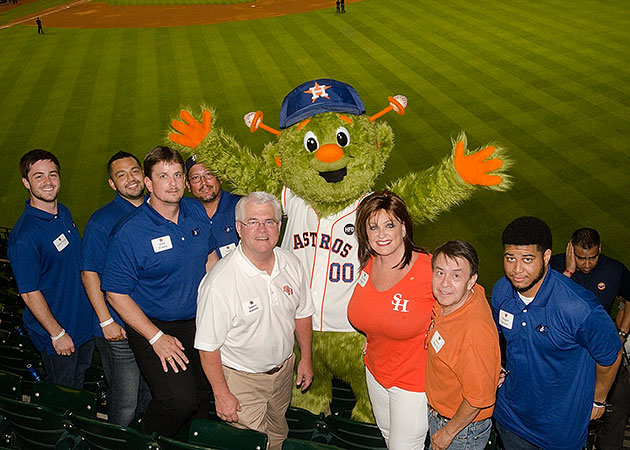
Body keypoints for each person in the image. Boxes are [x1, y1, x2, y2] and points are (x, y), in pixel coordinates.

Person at [101, 146, 219, 437]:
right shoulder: (129, 232)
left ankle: (189, 442)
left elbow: (210, 257)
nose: (174, 182)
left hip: (199, 321)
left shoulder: (195, 211)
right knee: (179, 400)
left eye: (178, 174)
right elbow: (115, 292)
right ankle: (143, 439)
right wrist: (156, 338)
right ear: (149, 184)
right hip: (154, 326)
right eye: (164, 176)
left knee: (205, 392)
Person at [195, 191, 315, 450]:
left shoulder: (292, 263)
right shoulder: (220, 282)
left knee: (278, 433)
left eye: (269, 221)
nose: (262, 229)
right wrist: (222, 394)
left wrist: (305, 357)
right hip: (241, 380)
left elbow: (302, 313)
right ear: (239, 228)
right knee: (253, 445)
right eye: (253, 222)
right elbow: (207, 346)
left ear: (279, 226)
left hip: (283, 372)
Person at [492, 216, 622, 450]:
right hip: (509, 420)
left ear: (547, 257)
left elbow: (610, 355)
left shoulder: (579, 308)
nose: (517, 269)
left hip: (560, 432)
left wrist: (598, 400)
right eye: (510, 258)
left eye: (527, 259)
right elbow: (495, 337)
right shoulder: (502, 291)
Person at [347, 190, 434, 449]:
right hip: (375, 373)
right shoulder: (369, 264)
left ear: (404, 228)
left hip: (413, 381)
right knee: (389, 440)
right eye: (373, 227)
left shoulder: (430, 269)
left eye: (389, 225)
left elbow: (467, 308)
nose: (381, 234)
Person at [8, 150, 95, 389]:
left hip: (82, 325)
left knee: (79, 384)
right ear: (26, 182)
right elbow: (28, 292)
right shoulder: (24, 237)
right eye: (39, 176)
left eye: (52, 174)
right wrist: (56, 334)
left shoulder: (63, 212)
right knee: (63, 393)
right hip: (59, 333)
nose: (48, 182)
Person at [81, 151, 151, 426]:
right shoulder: (102, 221)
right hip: (119, 328)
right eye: (121, 175)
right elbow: (89, 273)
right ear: (112, 184)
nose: (130, 179)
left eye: (134, 171)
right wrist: (106, 320)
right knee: (125, 401)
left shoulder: (158, 209)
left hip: (152, 324)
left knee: (150, 393)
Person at [550, 228, 630, 450]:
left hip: (603, 351)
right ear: (570, 250)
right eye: (580, 257)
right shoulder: (554, 268)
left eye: (591, 257)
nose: (586, 264)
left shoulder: (614, 269)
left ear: (600, 250)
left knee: (618, 404)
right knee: (570, 410)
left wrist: (622, 333)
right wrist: (568, 270)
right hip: (567, 356)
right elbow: (544, 301)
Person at [426, 240, 500, 450]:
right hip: (444, 415)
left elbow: (477, 399)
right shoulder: (464, 298)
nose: (445, 283)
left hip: (460, 430)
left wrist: (447, 433)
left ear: (471, 281)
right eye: (440, 273)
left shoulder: (473, 333)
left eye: (456, 276)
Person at [185, 155, 240, 258]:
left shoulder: (241, 206)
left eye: (209, 174)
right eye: (196, 178)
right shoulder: (183, 214)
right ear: (188, 186)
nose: (204, 182)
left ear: (219, 178)